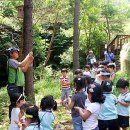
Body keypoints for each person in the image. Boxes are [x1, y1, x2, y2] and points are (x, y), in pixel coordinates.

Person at [7, 47, 34, 119]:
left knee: (20, 103)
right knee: (14, 104)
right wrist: (28, 56)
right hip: (14, 86)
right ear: (11, 54)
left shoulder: (16, 63)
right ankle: (12, 120)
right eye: (15, 52)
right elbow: (22, 64)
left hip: (19, 86)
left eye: (17, 52)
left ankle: (18, 118)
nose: (17, 53)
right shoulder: (11, 61)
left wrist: (29, 61)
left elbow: (24, 69)